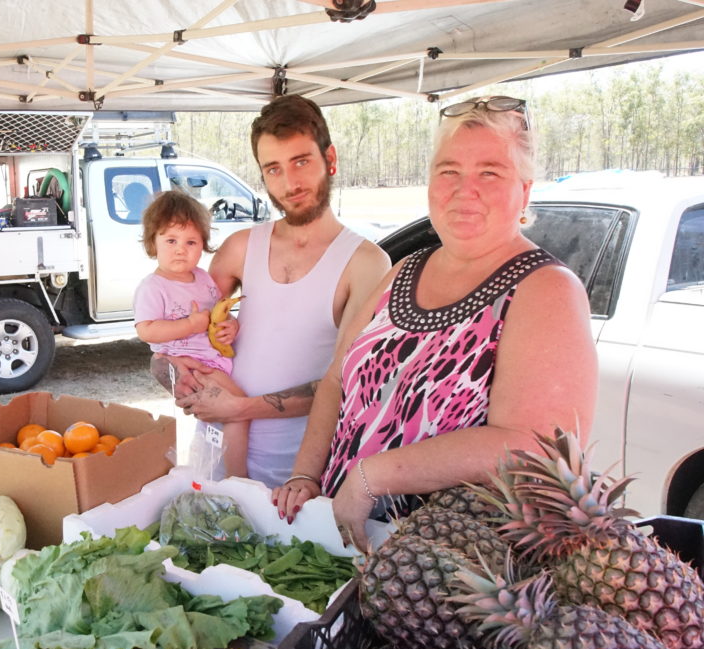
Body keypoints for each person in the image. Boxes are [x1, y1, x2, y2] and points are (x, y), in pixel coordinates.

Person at [272, 95, 598, 548]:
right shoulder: (405, 270)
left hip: (445, 572)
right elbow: (334, 382)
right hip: (341, 539)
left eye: (489, 172)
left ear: (524, 190)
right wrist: (306, 475)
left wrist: (372, 476)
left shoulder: (546, 289)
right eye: (449, 171)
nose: (465, 190)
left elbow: (534, 446)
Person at [162, 94, 391, 488]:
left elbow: (349, 382)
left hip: (302, 477)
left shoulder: (366, 263)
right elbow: (174, 338)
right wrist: (172, 374)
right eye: (273, 169)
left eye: (301, 162)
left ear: (330, 159)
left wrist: (241, 408)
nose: (290, 183)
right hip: (216, 462)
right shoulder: (239, 248)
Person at [134, 191, 249, 477]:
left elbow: (216, 314)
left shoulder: (203, 279)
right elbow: (146, 330)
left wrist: (229, 327)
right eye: (171, 240)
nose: (180, 249)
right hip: (190, 366)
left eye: (191, 242)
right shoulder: (153, 287)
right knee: (239, 411)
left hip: (212, 361)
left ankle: (209, 475)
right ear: (153, 243)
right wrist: (190, 325)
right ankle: (239, 478)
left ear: (203, 246)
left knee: (218, 419)